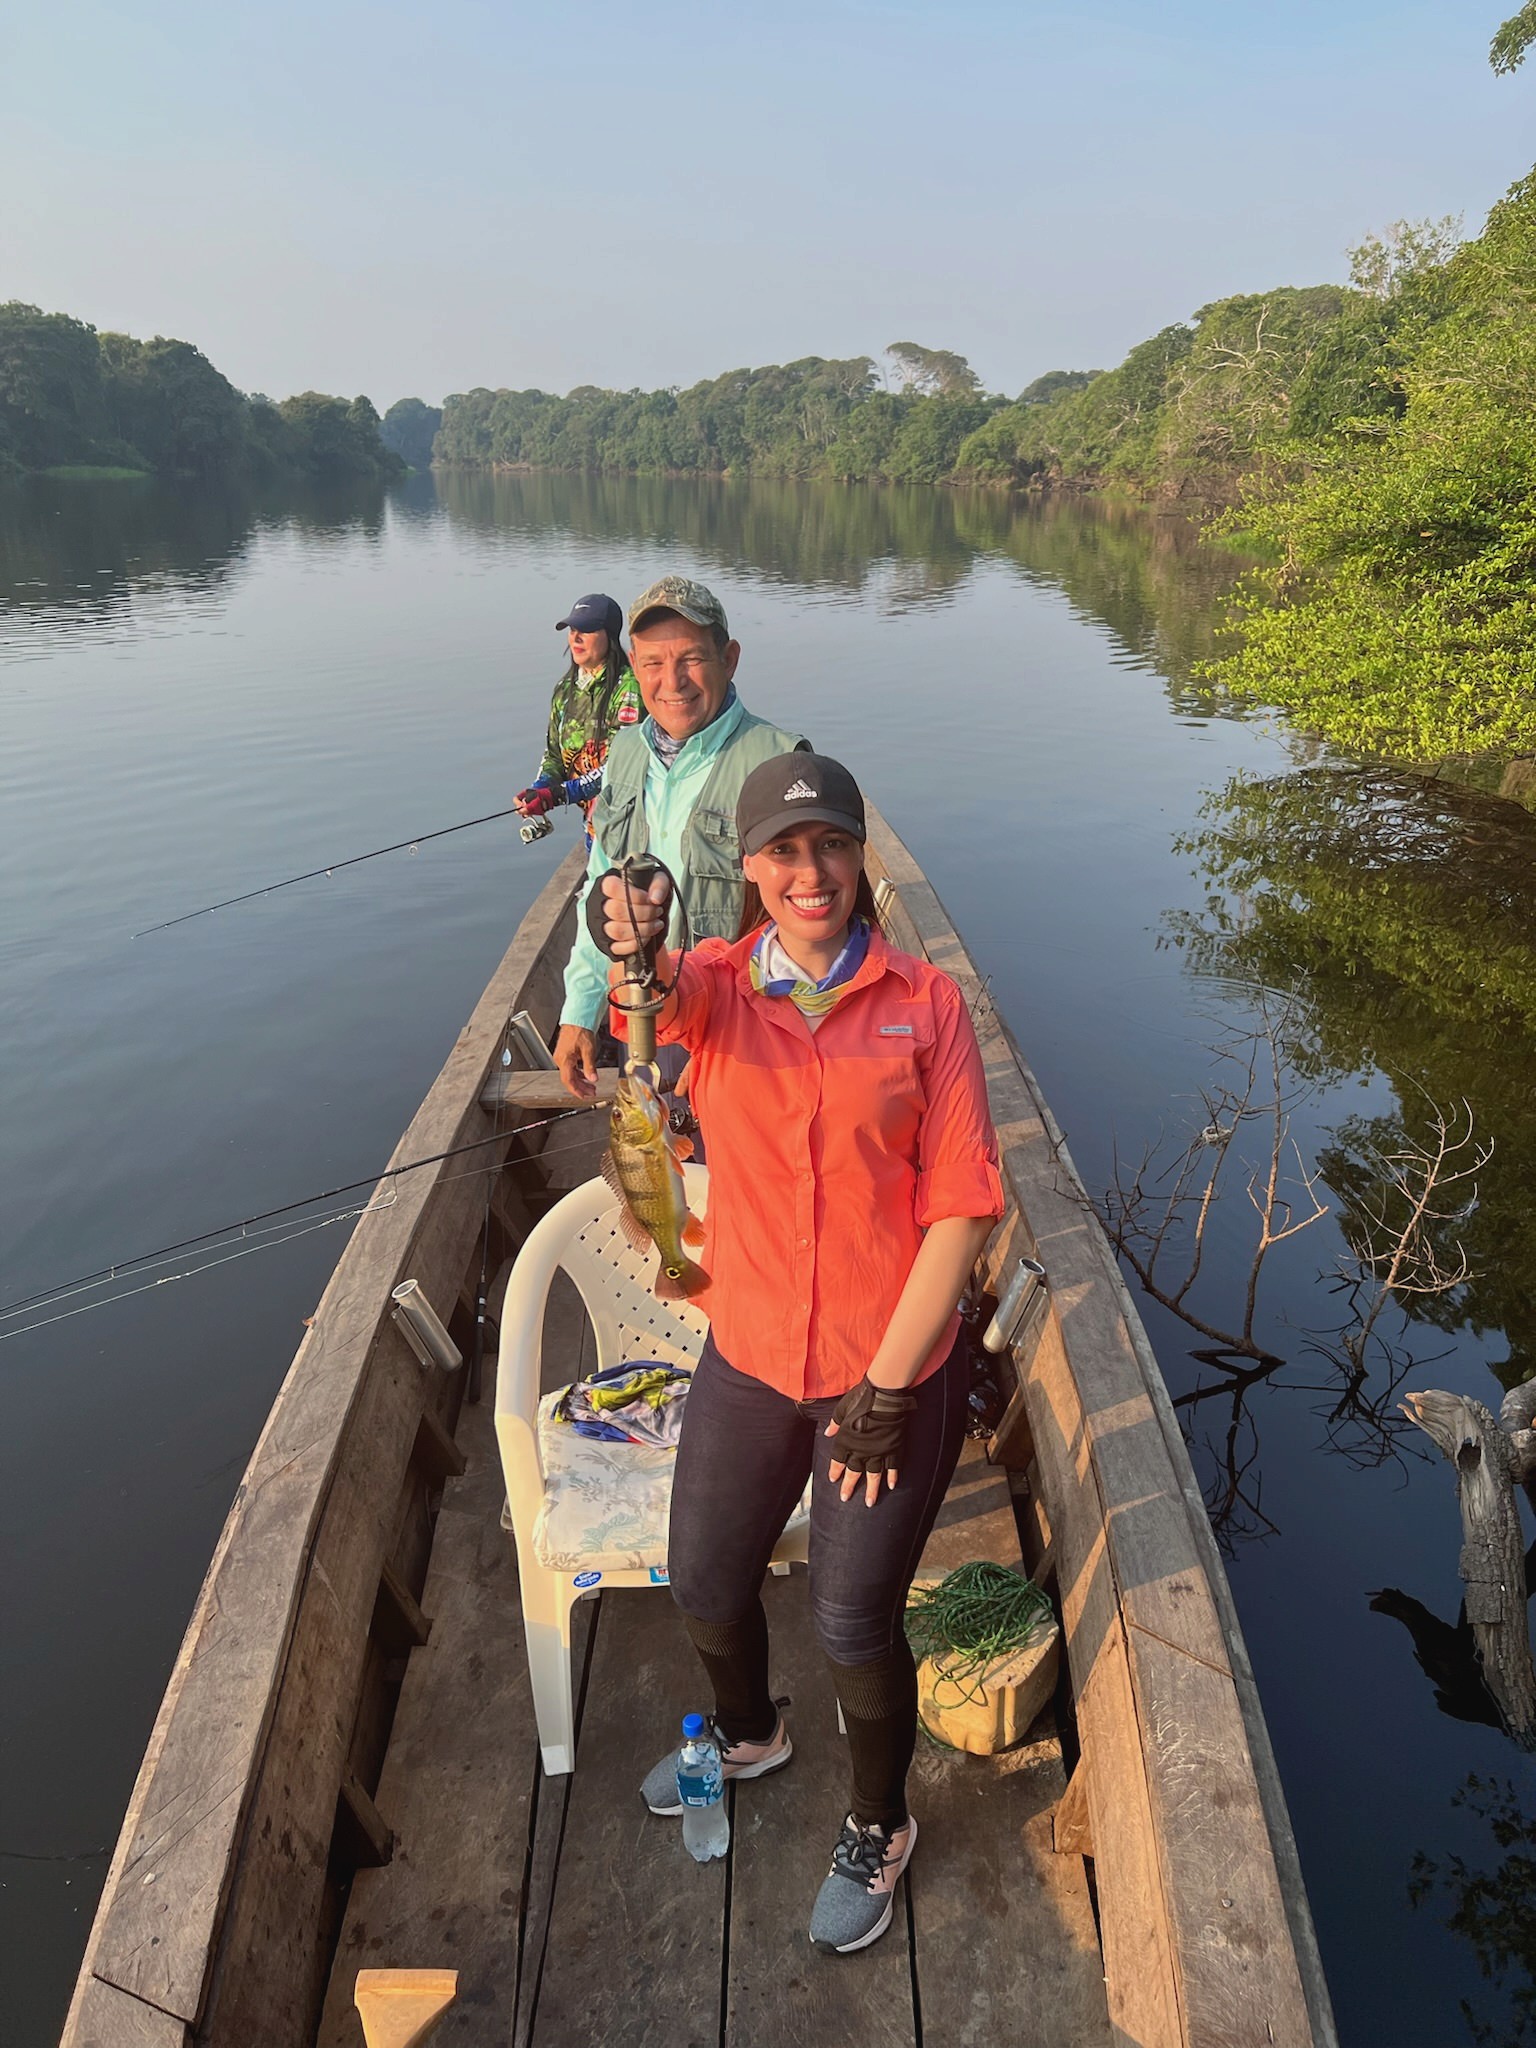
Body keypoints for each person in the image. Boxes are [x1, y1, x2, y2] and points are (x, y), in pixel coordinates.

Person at [594, 753, 1004, 1955]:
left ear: (859, 855)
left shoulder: (926, 1003)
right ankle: (749, 1731)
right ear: (753, 871)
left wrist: (886, 1385)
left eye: (830, 843)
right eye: (783, 850)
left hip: (889, 1373)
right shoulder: (718, 984)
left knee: (849, 1614)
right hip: (753, 1350)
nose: (809, 870)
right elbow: (650, 1015)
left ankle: (882, 1820)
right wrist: (628, 946)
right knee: (705, 1575)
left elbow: (964, 1209)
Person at [553, 574, 809, 1100]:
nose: (673, 682)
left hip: (745, 1031)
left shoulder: (779, 763)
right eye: (652, 664)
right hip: (640, 1019)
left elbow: (811, 924)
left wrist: (736, 1038)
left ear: (729, 659)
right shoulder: (624, 753)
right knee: (654, 1167)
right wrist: (579, 1012)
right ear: (634, 665)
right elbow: (600, 887)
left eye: (691, 659)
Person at [514, 593, 640, 848]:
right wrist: (539, 789)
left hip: (631, 830)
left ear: (610, 635)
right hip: (593, 826)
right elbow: (553, 756)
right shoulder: (564, 690)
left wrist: (559, 795)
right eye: (572, 629)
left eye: (587, 629)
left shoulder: (630, 688)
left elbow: (621, 768)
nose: (576, 637)